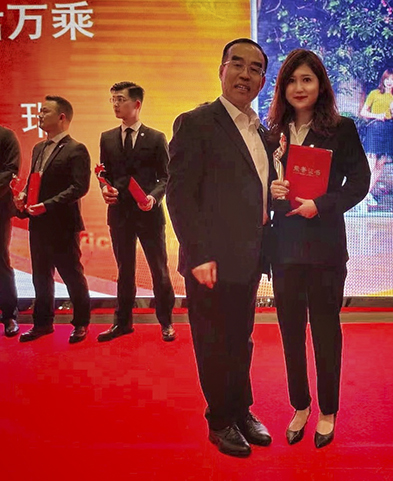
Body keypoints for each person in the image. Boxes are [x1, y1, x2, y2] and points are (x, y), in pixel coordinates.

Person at [167, 38, 274, 458]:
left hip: (249, 257)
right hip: (209, 261)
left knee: (240, 339)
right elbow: (180, 196)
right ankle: (219, 420)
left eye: (255, 68)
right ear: (222, 69)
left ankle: (241, 410)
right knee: (213, 341)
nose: (245, 74)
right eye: (238, 64)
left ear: (263, 80)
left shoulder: (260, 131)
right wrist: (198, 255)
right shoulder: (196, 123)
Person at [266, 49, 370, 448]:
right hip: (284, 248)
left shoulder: (341, 129)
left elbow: (359, 182)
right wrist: (271, 191)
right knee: (290, 332)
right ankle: (300, 405)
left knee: (326, 331)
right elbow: (260, 186)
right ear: (282, 88)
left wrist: (321, 204)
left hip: (325, 248)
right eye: (291, 81)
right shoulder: (271, 133)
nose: (299, 87)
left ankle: (327, 410)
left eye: (307, 79)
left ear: (320, 85)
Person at [97, 82, 176, 343]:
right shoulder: (107, 137)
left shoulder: (155, 138)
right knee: (124, 270)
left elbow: (166, 177)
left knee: (159, 269)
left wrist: (153, 198)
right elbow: (104, 173)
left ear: (137, 104)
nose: (115, 104)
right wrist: (104, 188)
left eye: (120, 99)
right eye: (113, 100)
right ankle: (122, 323)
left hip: (149, 213)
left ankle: (166, 322)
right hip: (119, 214)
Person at [14, 96, 91, 343]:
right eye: (39, 111)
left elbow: (79, 187)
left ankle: (81, 323)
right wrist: (24, 196)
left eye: (45, 112)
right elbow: (35, 179)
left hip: (63, 224)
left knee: (72, 275)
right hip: (38, 224)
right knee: (40, 276)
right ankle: (43, 323)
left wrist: (47, 205)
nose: (39, 115)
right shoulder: (39, 148)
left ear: (61, 117)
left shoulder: (76, 149)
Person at [359, 68, 393, 206]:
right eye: (387, 79)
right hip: (375, 128)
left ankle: (367, 193)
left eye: (392, 79)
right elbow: (363, 112)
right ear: (383, 80)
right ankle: (359, 194)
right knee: (371, 163)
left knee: (380, 164)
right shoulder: (374, 93)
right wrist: (376, 115)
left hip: (388, 129)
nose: (389, 82)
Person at [0, 126, 21, 337]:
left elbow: (11, 171)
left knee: (1, 261)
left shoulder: (6, 136)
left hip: (0, 208)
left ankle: (9, 315)